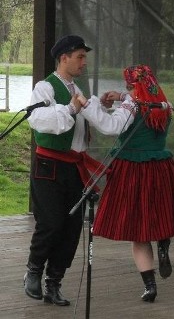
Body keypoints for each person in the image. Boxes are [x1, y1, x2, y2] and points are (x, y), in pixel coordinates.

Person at [78, 64, 174, 303]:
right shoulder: (164, 105)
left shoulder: (133, 104)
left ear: (131, 84)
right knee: (160, 215)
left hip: (132, 169)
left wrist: (88, 103)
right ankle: (164, 240)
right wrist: (121, 97)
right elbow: (140, 101)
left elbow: (111, 126)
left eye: (127, 85)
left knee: (138, 229)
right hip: (160, 166)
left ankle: (150, 286)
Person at [23, 35, 102, 306]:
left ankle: (53, 281)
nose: (84, 62)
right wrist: (70, 108)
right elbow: (38, 119)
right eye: (79, 56)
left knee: (70, 227)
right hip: (49, 165)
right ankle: (33, 270)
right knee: (51, 222)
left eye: (84, 57)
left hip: (73, 166)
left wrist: (101, 105)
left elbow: (83, 124)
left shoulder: (76, 88)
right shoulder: (45, 87)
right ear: (63, 57)